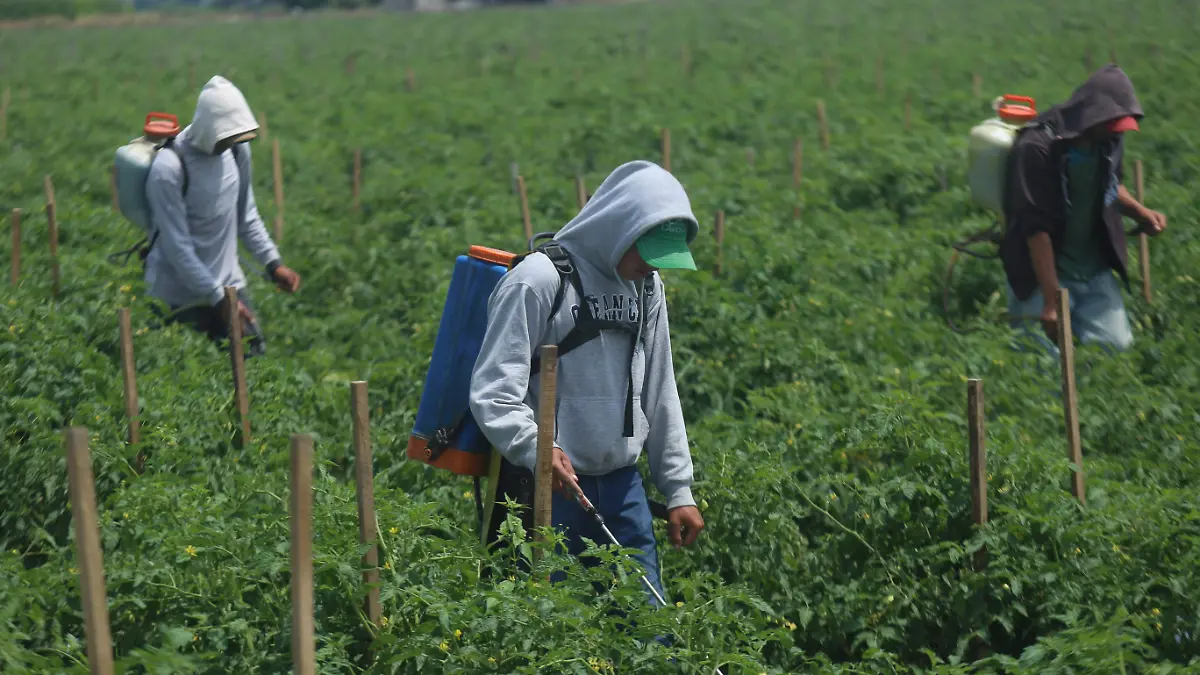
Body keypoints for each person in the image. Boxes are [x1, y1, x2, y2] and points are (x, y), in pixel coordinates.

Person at [469, 160, 706, 608]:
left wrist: (678, 490)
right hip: (547, 488)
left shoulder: (648, 289)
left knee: (645, 630)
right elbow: (493, 390)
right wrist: (537, 447)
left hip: (623, 488)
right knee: (553, 630)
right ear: (620, 230)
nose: (652, 267)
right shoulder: (539, 281)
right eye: (647, 254)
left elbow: (660, 390)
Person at [1001, 64, 1167, 354]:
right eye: (1111, 125)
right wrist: (1052, 302)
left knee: (1115, 349)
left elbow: (1111, 185)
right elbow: (1035, 228)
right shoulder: (1037, 146)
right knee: (1040, 364)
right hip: (1042, 273)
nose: (1115, 134)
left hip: (1092, 267)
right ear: (1093, 115)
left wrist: (1141, 212)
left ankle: (1090, 398)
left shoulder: (1109, 140)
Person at [144, 75, 300, 357]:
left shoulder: (238, 150)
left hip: (229, 288)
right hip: (178, 299)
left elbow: (246, 215)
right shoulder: (169, 167)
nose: (229, 145)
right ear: (208, 127)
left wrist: (273, 263)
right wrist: (219, 299)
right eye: (224, 139)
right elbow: (177, 248)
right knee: (183, 382)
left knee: (253, 369)